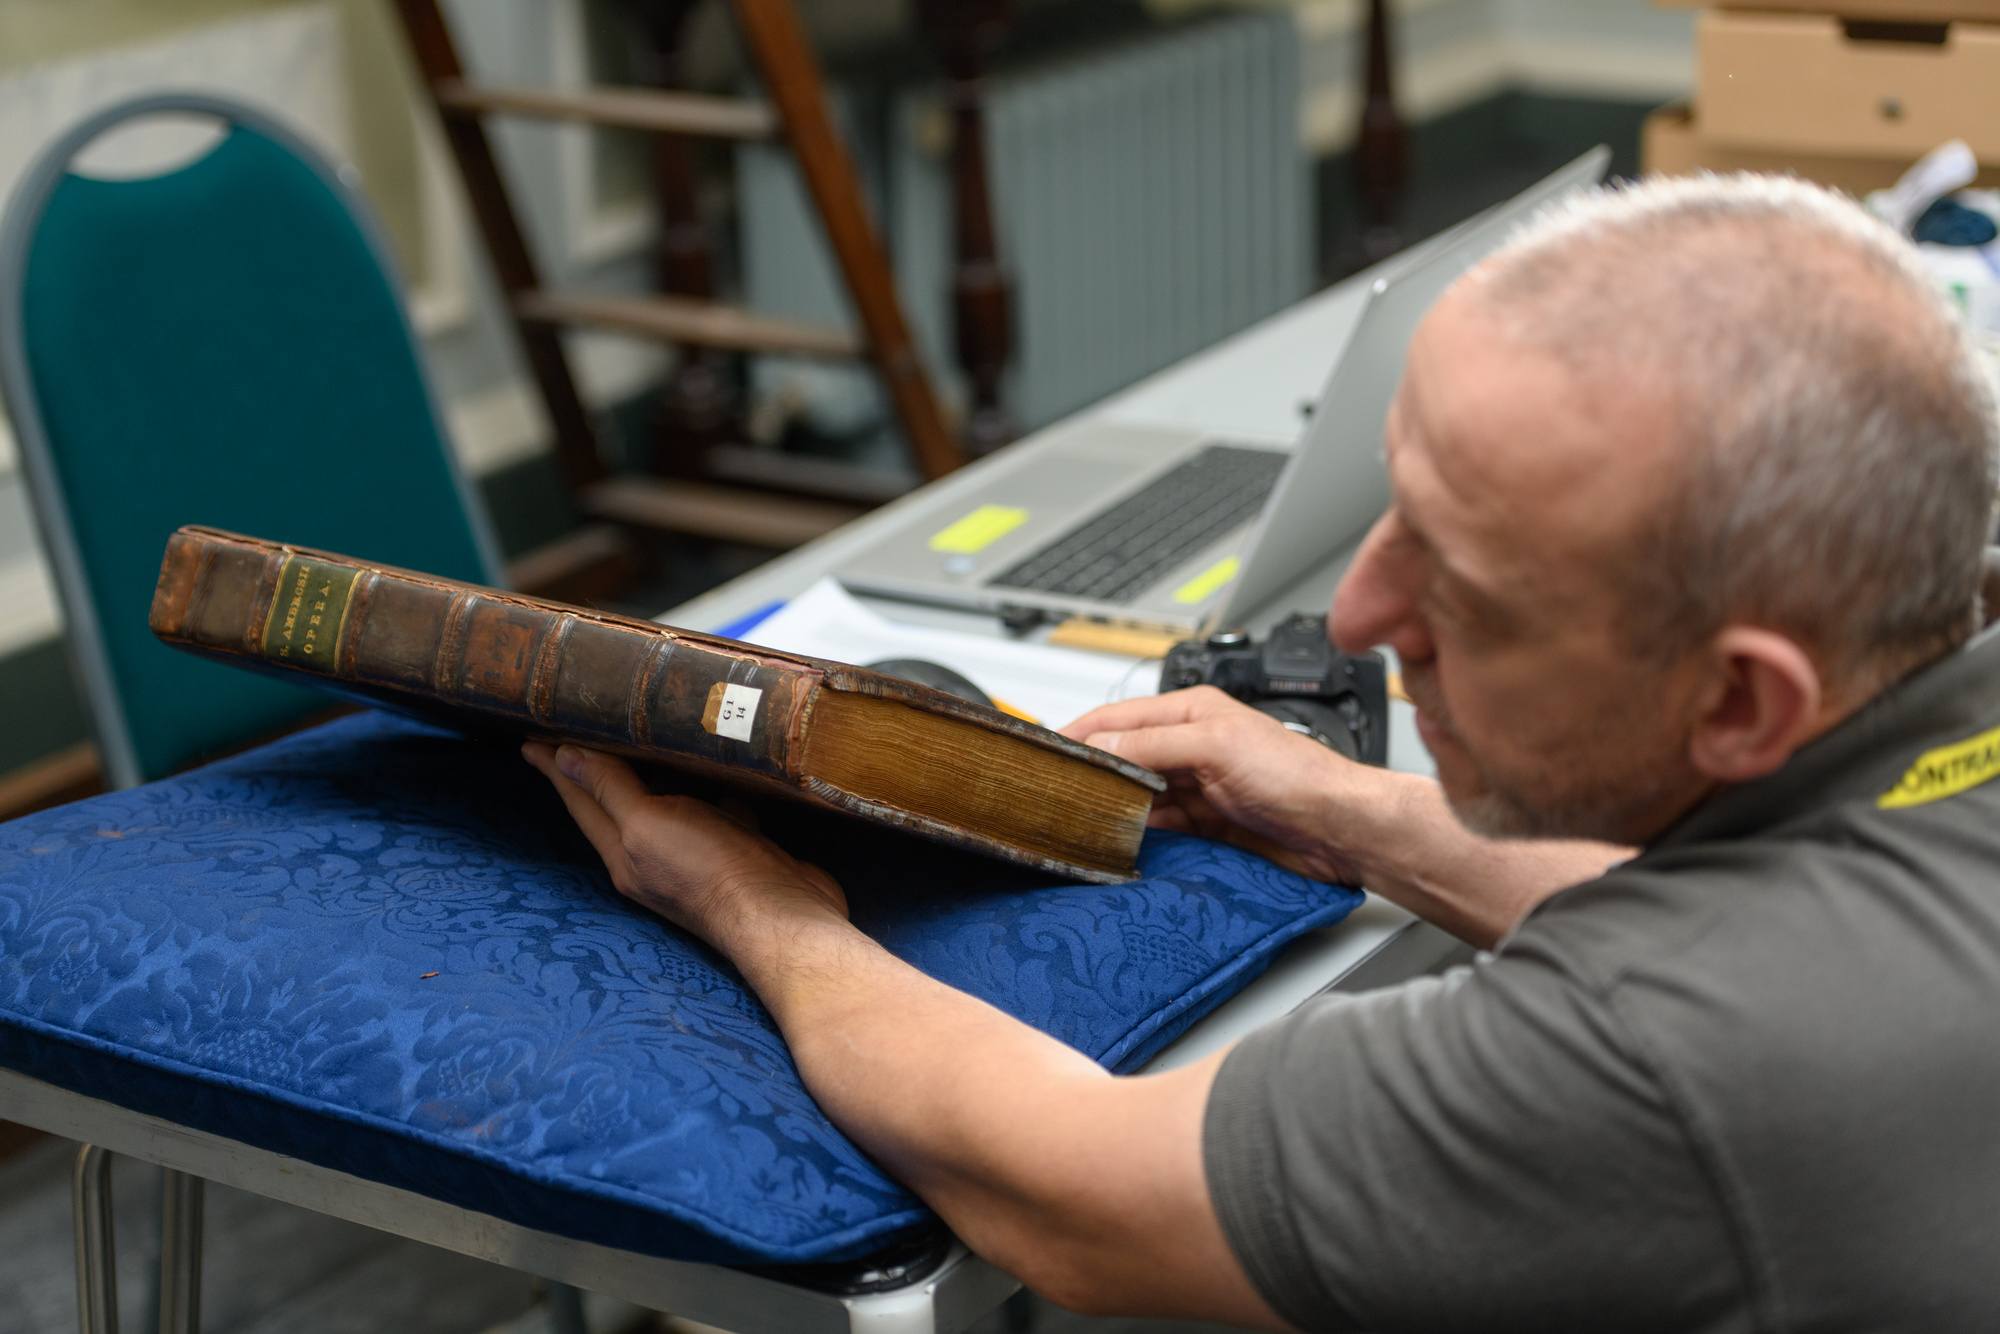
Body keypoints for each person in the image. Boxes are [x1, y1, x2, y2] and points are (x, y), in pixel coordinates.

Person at [524, 173, 2000, 1332]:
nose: (1362, 613)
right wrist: (1359, 811)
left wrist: (755, 903)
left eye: (1467, 586)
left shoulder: (1681, 1066)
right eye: (1393, 504)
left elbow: (1067, 1193)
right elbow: (1771, 926)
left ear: (1742, 705)